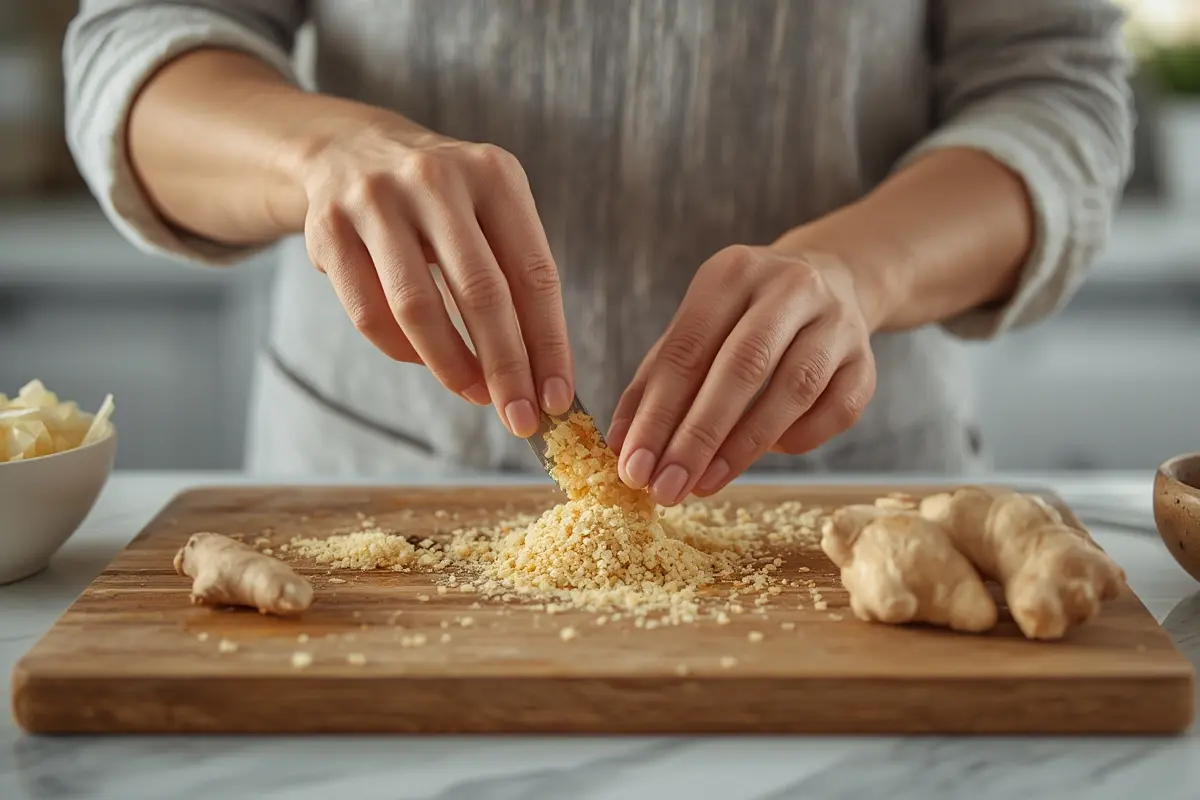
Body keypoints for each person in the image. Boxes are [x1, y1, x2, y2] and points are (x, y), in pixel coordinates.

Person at [65, 1, 1133, 505]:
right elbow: (137, 42)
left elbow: (1052, 90)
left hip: (850, 494)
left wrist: (863, 268)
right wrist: (320, 154)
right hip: (369, 484)